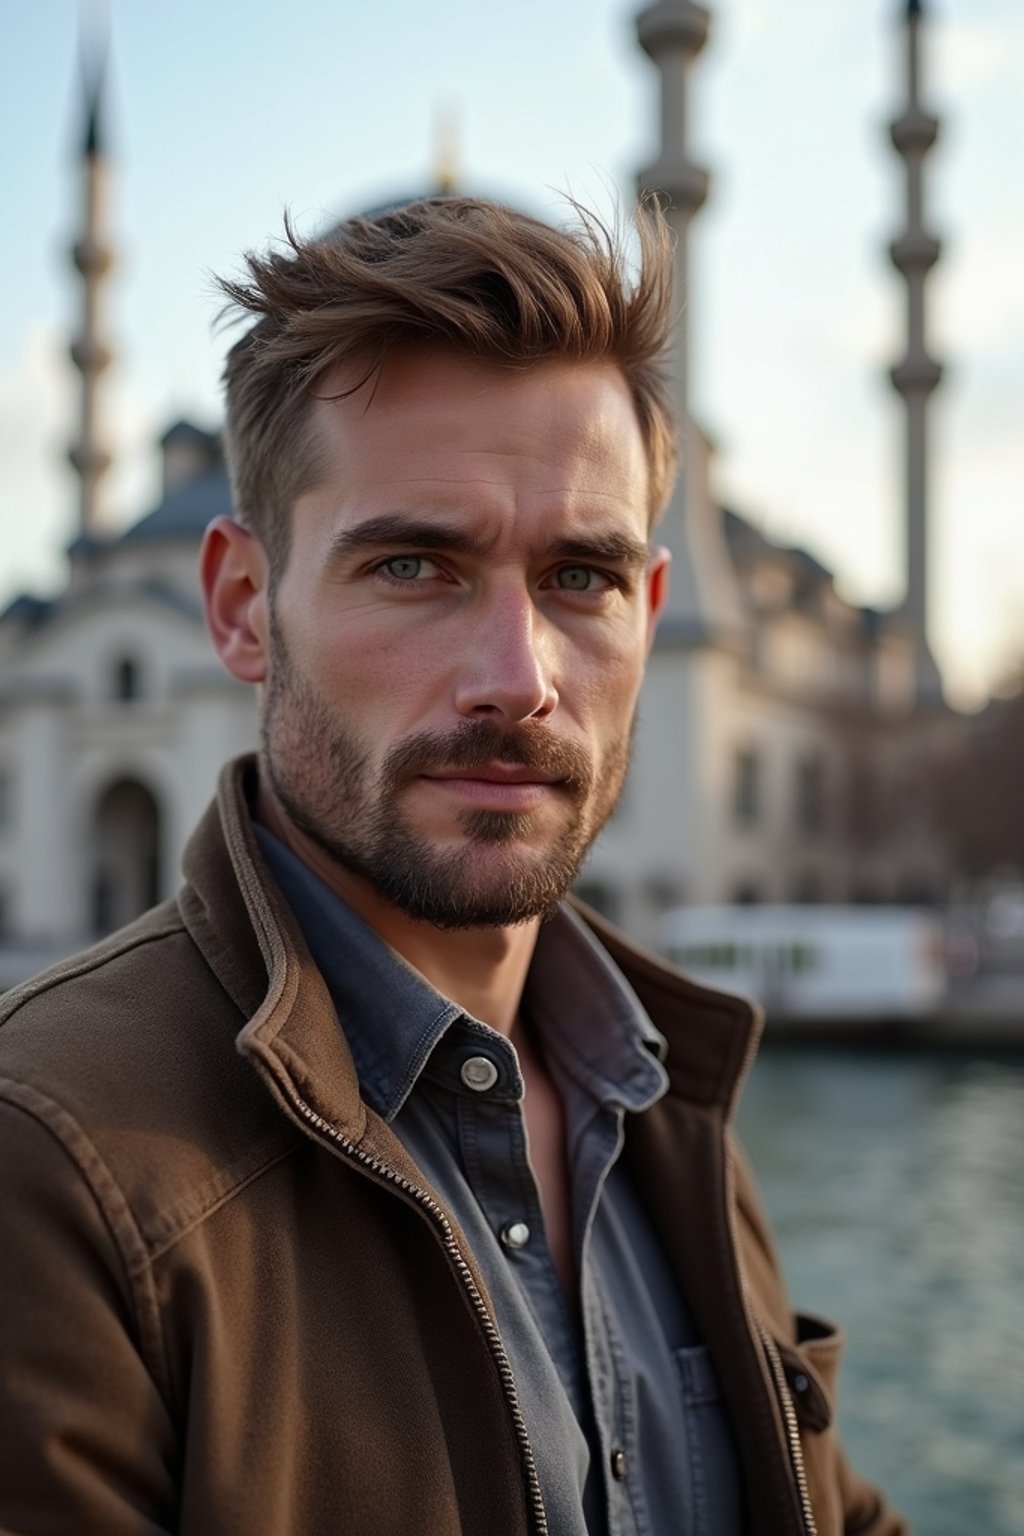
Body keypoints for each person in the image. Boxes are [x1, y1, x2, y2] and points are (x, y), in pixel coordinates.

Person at [0, 197, 904, 1536]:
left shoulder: (666, 1097)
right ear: (243, 609)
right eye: (416, 565)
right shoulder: (54, 1165)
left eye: (580, 578)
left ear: (652, 616)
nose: (516, 682)